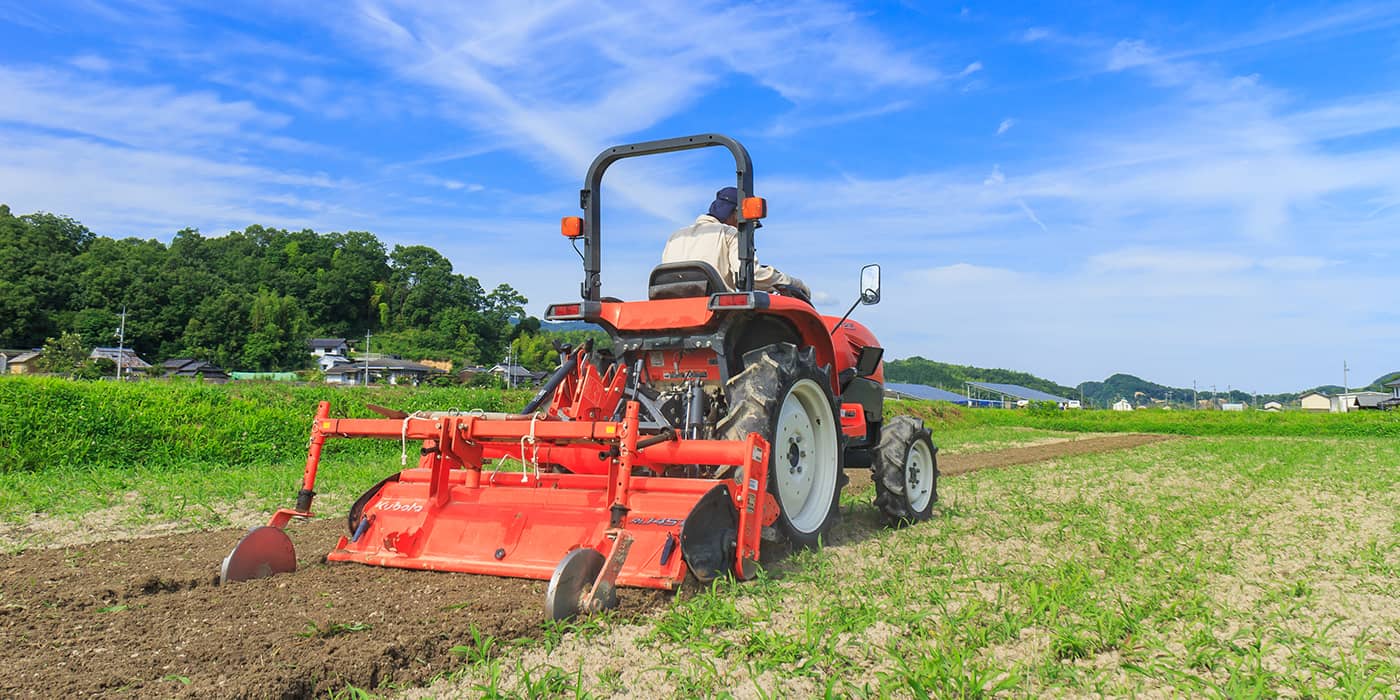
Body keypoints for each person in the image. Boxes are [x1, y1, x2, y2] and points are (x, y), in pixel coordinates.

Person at [661, 187, 811, 298]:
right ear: (737, 214)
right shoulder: (729, 233)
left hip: (675, 311)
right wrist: (792, 282)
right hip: (715, 313)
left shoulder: (675, 236)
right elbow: (753, 276)